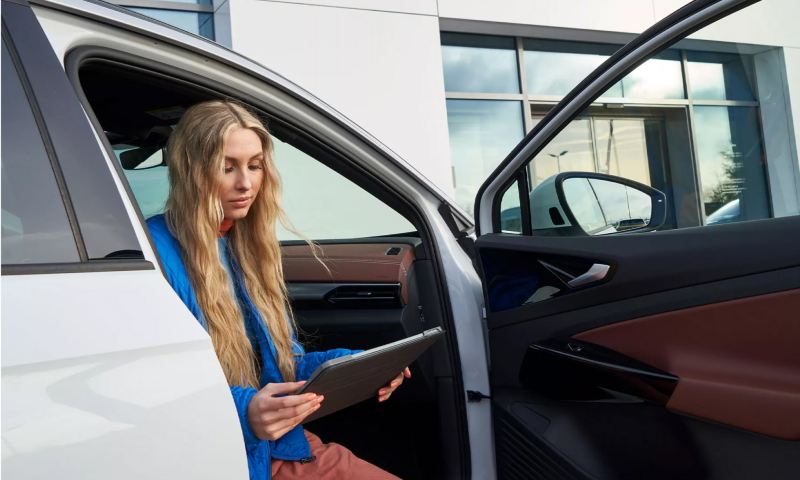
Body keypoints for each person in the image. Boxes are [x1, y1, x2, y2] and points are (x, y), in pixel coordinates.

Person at [146, 100, 408, 479]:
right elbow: (153, 385)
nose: (246, 183)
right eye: (227, 167)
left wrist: (362, 365)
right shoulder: (153, 253)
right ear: (191, 171)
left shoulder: (246, 248)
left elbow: (285, 367)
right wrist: (244, 411)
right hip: (220, 452)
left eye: (255, 166)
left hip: (275, 447)